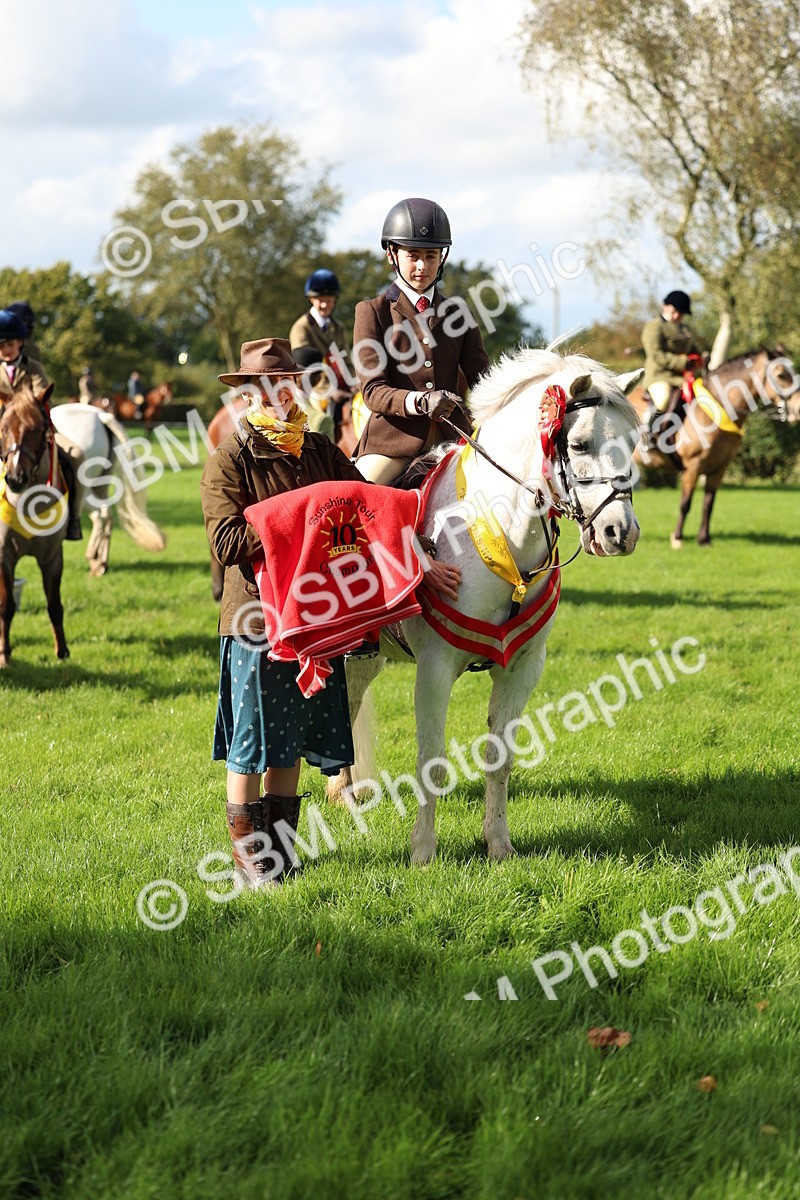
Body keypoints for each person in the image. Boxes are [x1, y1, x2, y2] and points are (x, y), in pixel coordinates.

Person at [200, 337, 461, 888]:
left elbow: (371, 507)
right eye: (263, 387)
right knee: (252, 745)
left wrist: (421, 556)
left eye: (285, 383)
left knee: (290, 739)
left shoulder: (318, 449)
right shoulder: (230, 458)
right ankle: (251, 864)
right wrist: (302, 514)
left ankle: (283, 857)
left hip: (315, 616)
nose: (277, 394)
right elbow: (226, 542)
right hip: (254, 618)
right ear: (246, 395)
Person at [351, 197, 490, 485]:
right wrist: (421, 401)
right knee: (356, 498)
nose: (422, 266)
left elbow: (484, 382)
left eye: (431, 256)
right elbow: (373, 391)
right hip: (392, 446)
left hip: (455, 440)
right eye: (412, 255)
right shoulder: (372, 312)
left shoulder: (458, 313)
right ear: (392, 255)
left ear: (443, 258)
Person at [0, 308, 83, 540]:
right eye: (0, 345)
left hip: (34, 431)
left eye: (9, 344)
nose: (4, 350)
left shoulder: (33, 367)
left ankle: (73, 518)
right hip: (4, 433)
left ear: (20, 342)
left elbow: (40, 393)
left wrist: (18, 404)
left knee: (76, 454)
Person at [289, 269, 354, 429]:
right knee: (321, 423)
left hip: (339, 384)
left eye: (330, 300)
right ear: (311, 299)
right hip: (311, 387)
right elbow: (305, 369)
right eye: (320, 300)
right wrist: (329, 391)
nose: (325, 304)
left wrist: (354, 382)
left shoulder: (338, 327)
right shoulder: (301, 327)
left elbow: (345, 359)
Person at [641, 290, 705, 446]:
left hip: (684, 376)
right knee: (663, 400)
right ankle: (647, 433)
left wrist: (704, 355)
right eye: (678, 312)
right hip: (660, 375)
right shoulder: (654, 327)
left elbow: (695, 347)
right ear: (668, 308)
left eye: (682, 314)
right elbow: (656, 355)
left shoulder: (684, 329)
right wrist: (683, 363)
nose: (680, 317)